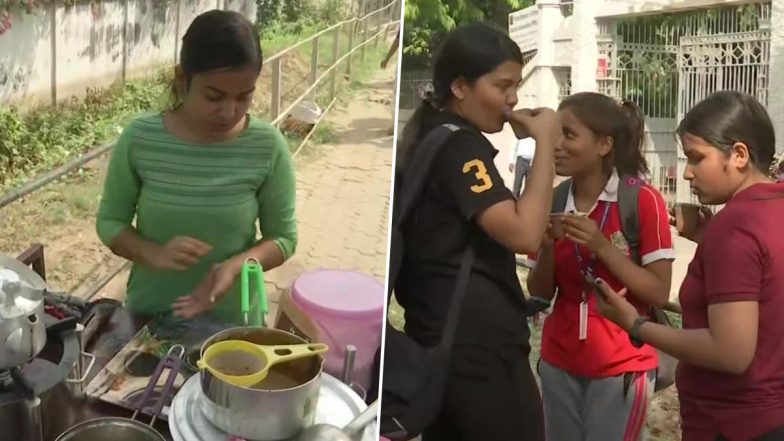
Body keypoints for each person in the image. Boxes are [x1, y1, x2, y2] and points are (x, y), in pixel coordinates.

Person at [393, 22, 559, 441]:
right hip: (477, 353)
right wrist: (545, 143)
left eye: (516, 86)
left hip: (440, 340)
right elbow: (523, 234)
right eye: (502, 85)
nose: (513, 99)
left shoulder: (432, 132)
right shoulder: (461, 148)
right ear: (460, 87)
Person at [593, 91, 784, 441]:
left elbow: (730, 352)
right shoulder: (771, 208)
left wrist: (633, 324)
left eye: (697, 159)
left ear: (739, 155)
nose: (688, 174)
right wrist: (708, 238)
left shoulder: (736, 227)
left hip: (733, 421)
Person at [96, 10, 297, 326]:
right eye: (214, 96)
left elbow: (283, 238)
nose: (229, 111)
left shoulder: (267, 145)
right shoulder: (141, 139)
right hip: (149, 320)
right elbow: (110, 221)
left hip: (234, 323)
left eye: (244, 97)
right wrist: (152, 254)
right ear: (183, 81)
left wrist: (237, 266)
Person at [526, 92, 674, 441]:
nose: (556, 145)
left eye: (568, 135)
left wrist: (602, 247)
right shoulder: (555, 198)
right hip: (558, 360)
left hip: (622, 364)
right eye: (555, 135)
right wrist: (547, 247)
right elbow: (540, 291)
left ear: (604, 145)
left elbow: (658, 291)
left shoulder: (640, 199)